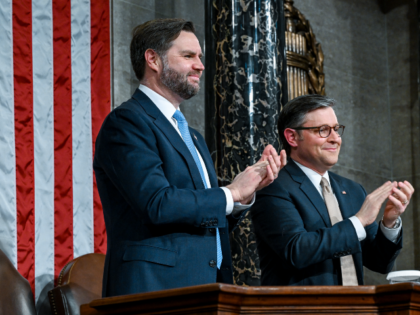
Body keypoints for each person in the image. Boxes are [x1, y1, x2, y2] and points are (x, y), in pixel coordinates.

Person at [93, 18, 286, 297]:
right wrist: (230, 192)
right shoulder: (127, 122)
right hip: (154, 291)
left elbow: (203, 219)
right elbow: (157, 204)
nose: (200, 65)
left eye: (200, 57)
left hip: (206, 289)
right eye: (188, 56)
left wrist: (244, 194)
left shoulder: (191, 135)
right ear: (153, 60)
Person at [251, 94, 414, 286]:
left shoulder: (352, 190)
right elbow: (297, 249)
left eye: (336, 130)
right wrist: (359, 221)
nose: (335, 139)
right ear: (292, 137)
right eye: (323, 130)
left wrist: (389, 222)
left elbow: (379, 262)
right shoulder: (273, 185)